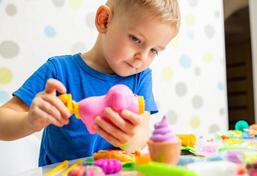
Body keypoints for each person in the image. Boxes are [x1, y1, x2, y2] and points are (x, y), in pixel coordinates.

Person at [0, 0, 180, 166]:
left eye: (154, 51)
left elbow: (142, 136)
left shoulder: (140, 77)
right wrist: (28, 121)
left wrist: (129, 138)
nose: (142, 57)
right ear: (105, 20)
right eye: (136, 39)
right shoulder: (59, 71)